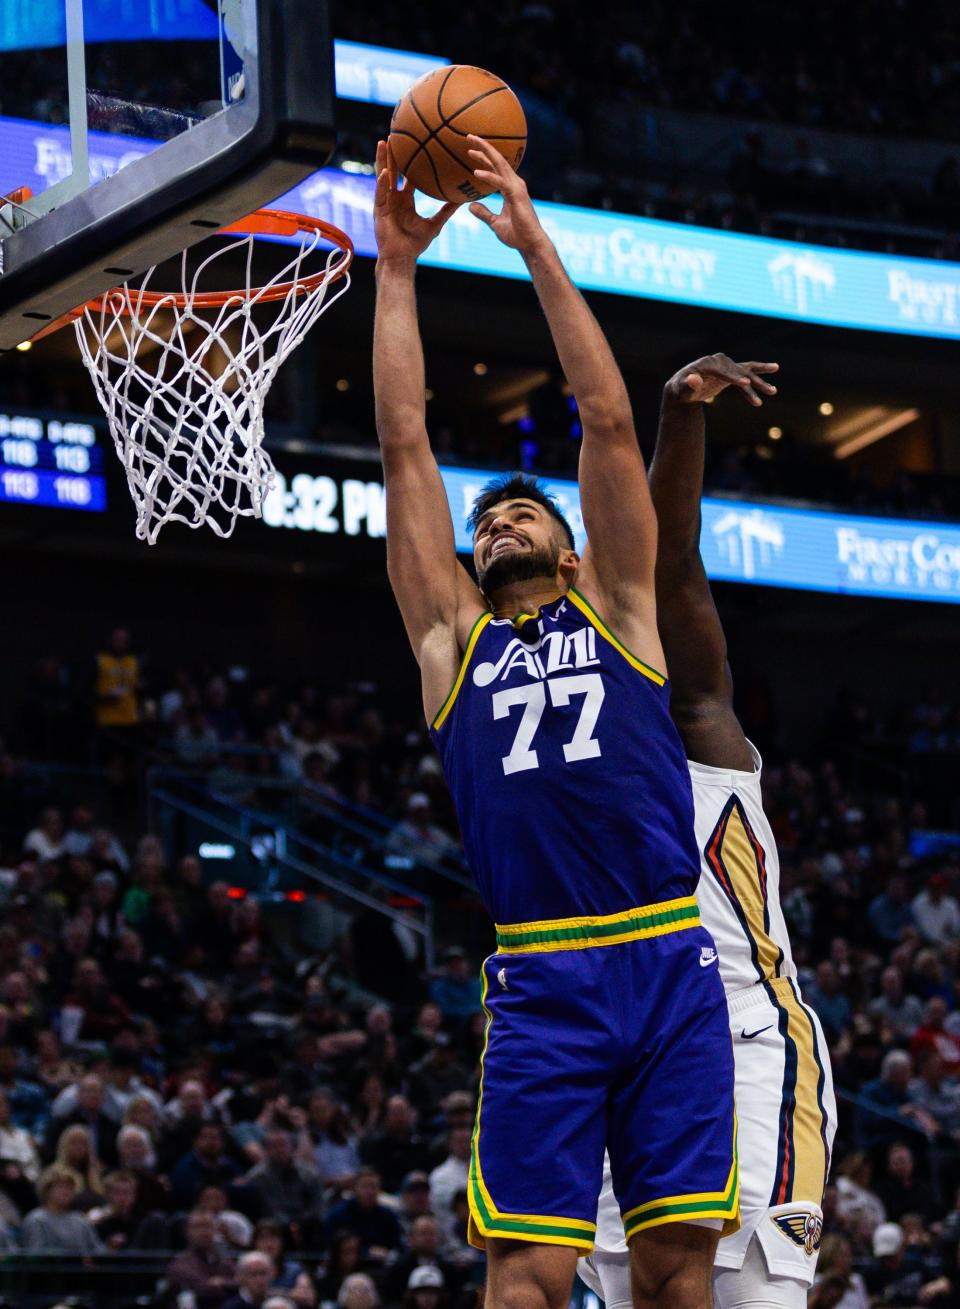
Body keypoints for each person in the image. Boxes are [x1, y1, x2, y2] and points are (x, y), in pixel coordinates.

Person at [373, 138, 737, 1309]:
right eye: (491, 526)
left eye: (525, 511)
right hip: (542, 976)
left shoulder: (625, 613)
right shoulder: (451, 644)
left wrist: (532, 240)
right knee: (526, 1268)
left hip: (669, 953)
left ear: (573, 552)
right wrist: (394, 272)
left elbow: (608, 422)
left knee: (680, 1268)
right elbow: (405, 441)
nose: (501, 524)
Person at [578, 355, 836, 1309]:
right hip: (621, 1057)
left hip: (743, 1040)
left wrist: (677, 415)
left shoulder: (695, 723)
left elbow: (669, 561)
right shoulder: (558, 762)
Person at [21, 1164, 104, 1254]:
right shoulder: (37, 1220)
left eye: (69, 1188)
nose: (66, 1192)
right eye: (60, 1187)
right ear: (47, 1190)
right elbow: (37, 1256)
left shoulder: (80, 1220)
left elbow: (98, 1251)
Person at [165, 1207, 238, 1308]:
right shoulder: (180, 1264)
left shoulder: (223, 1260)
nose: (203, 1232)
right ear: (187, 1231)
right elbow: (201, 1289)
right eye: (197, 1227)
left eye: (207, 1226)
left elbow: (241, 1282)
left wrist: (220, 1282)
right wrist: (223, 1285)